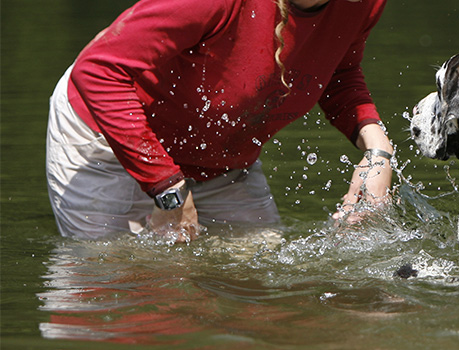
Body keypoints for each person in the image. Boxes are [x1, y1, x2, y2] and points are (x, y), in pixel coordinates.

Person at [46, 0, 392, 242]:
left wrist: (378, 149)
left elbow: (337, 71)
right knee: (127, 294)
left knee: (251, 293)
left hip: (222, 161)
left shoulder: (361, 3)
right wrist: (167, 190)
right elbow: (98, 71)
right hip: (113, 140)